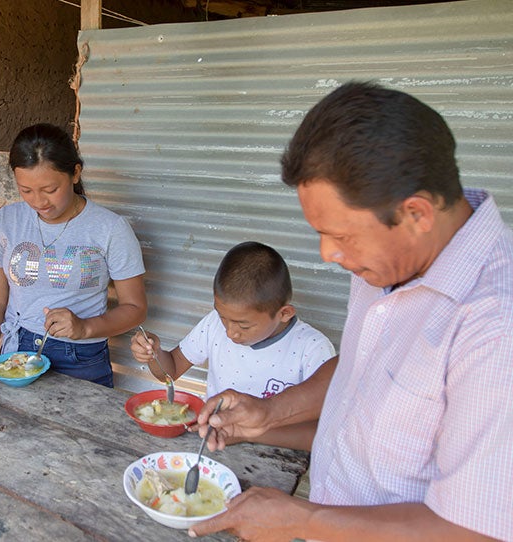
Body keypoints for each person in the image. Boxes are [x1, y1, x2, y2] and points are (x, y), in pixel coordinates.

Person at [189, 82, 513, 541]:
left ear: (417, 213)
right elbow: (363, 365)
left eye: (341, 236)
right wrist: (270, 413)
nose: (327, 254)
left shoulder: (496, 327)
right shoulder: (384, 263)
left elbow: (477, 530)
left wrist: (301, 520)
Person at [0, 123, 147, 388]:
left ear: (75, 173)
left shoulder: (109, 228)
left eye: (50, 190)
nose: (38, 202)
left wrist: (84, 328)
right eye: (26, 190)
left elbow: (135, 308)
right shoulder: (7, 221)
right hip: (17, 351)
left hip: (80, 357)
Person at [131, 241, 334, 403]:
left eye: (244, 326)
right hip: (213, 442)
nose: (230, 332)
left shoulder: (313, 349)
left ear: (284, 313)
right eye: (223, 317)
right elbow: (171, 371)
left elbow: (321, 422)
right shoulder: (213, 325)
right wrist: (153, 354)